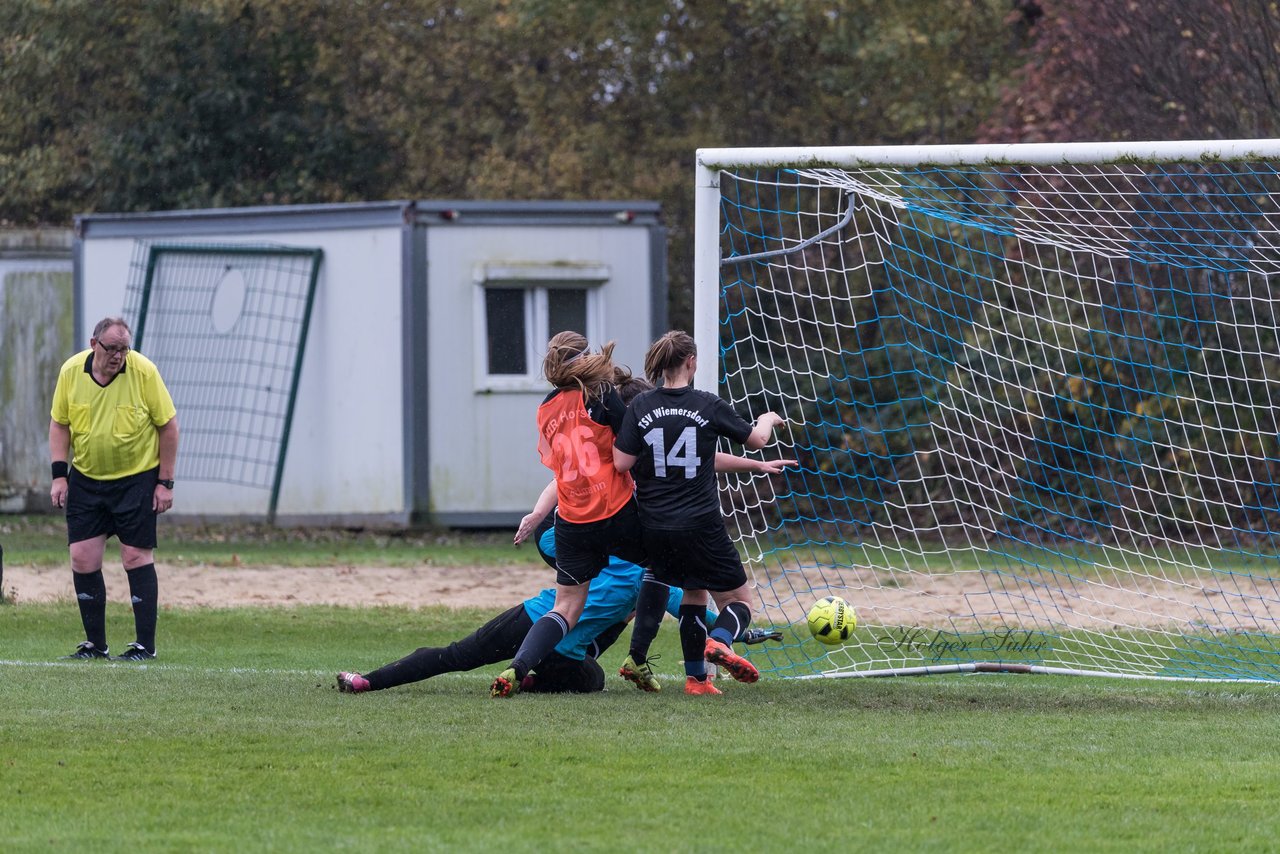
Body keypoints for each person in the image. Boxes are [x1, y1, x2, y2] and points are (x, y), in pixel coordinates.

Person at [336, 518, 710, 694]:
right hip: (564, 655)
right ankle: (533, 679)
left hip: (535, 617)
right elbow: (698, 616)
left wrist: (579, 544)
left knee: (455, 655)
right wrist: (736, 632)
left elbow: (548, 542)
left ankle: (367, 681)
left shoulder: (603, 547)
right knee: (594, 679)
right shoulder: (656, 578)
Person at [614, 329, 789, 693]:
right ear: (691, 362)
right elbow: (757, 440)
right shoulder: (706, 405)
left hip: (656, 526)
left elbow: (620, 463)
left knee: (694, 592)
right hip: (701, 524)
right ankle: (720, 641)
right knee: (738, 600)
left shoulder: (641, 408)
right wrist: (769, 418)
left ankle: (696, 680)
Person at [490, 338, 649, 698]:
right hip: (608, 515)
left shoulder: (547, 408)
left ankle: (521, 666)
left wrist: (535, 514)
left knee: (570, 606)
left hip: (570, 524)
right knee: (659, 573)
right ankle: (641, 657)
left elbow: (559, 472)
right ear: (583, 361)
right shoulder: (602, 395)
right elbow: (631, 446)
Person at [49, 316, 179, 661]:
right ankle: (95, 645)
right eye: (112, 348)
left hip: (136, 478)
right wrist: (59, 475)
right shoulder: (71, 372)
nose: (119, 355)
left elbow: (168, 426)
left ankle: (144, 647)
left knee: (135, 555)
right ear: (94, 345)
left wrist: (165, 483)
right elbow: (60, 424)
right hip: (87, 479)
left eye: (124, 349)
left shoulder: (144, 372)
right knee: (82, 556)